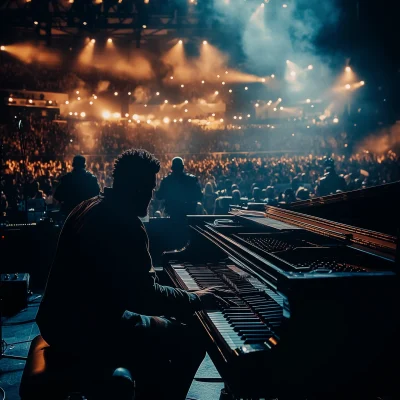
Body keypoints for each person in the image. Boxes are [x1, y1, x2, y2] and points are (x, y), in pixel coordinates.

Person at [36, 149, 230, 400]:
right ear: (135, 187)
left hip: (58, 320)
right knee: (191, 338)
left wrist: (175, 297)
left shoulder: (89, 206)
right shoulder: (123, 223)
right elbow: (142, 296)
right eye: (149, 189)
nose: (151, 197)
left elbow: (125, 283)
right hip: (83, 330)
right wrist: (193, 298)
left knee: (161, 324)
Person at [156, 156, 203, 221]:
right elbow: (200, 196)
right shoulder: (192, 180)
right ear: (183, 167)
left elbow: (159, 196)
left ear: (172, 168)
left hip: (172, 215)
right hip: (189, 216)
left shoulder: (166, 181)